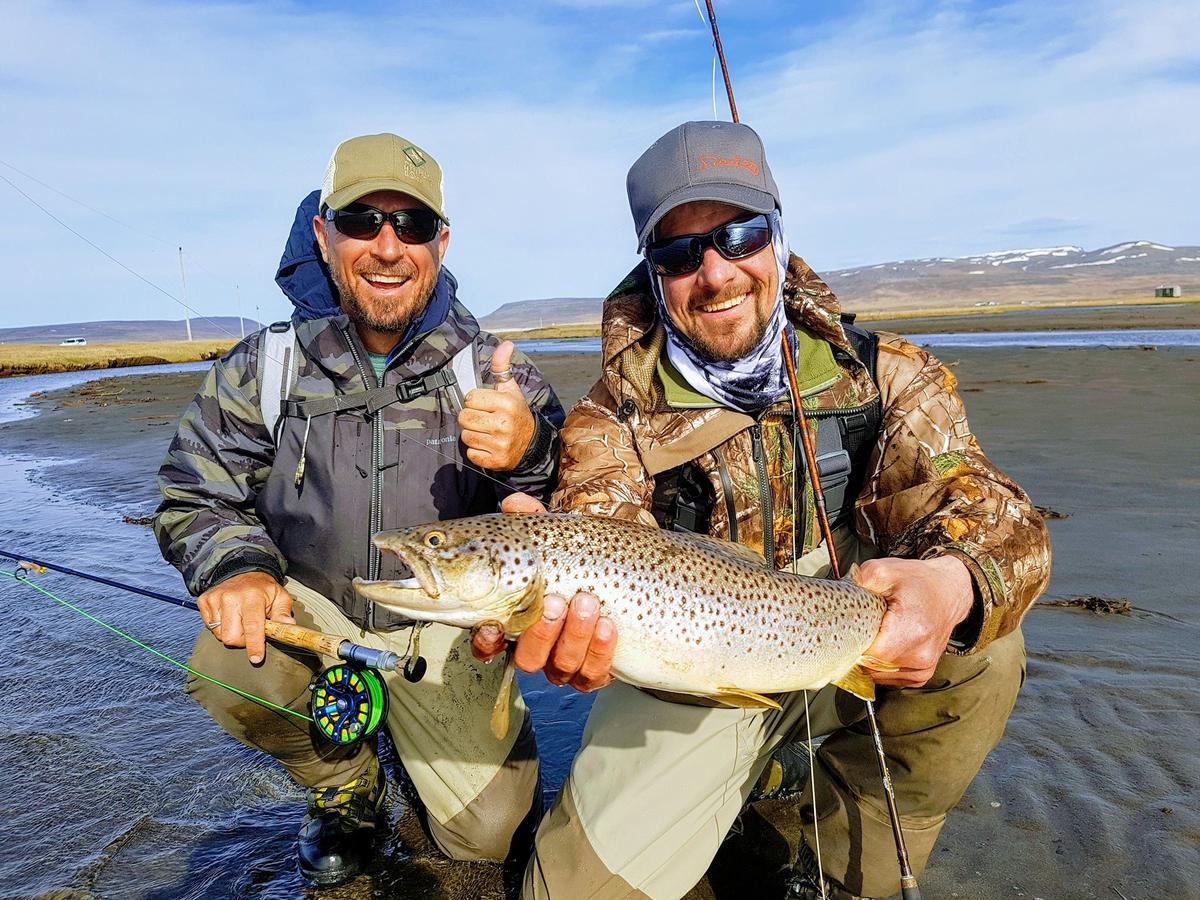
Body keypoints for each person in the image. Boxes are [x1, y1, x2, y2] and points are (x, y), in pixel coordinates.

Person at [477, 121, 1051, 899]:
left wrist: (952, 584)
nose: (713, 274)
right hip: (692, 681)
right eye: (678, 254)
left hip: (851, 651)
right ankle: (739, 779)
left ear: (776, 237)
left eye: (738, 235)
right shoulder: (607, 419)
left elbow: (998, 513)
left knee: (985, 649)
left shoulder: (889, 374)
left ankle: (846, 861)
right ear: (652, 273)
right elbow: (599, 531)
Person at [154, 132, 564, 887]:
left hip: (447, 630)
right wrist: (236, 566)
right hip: (311, 611)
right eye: (361, 221)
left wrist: (532, 448)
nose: (386, 246)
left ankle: (435, 751)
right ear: (323, 232)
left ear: (440, 242)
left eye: (410, 225)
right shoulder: (264, 367)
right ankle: (346, 786)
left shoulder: (497, 371)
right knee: (226, 664)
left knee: (491, 835)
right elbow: (194, 488)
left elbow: (567, 514)